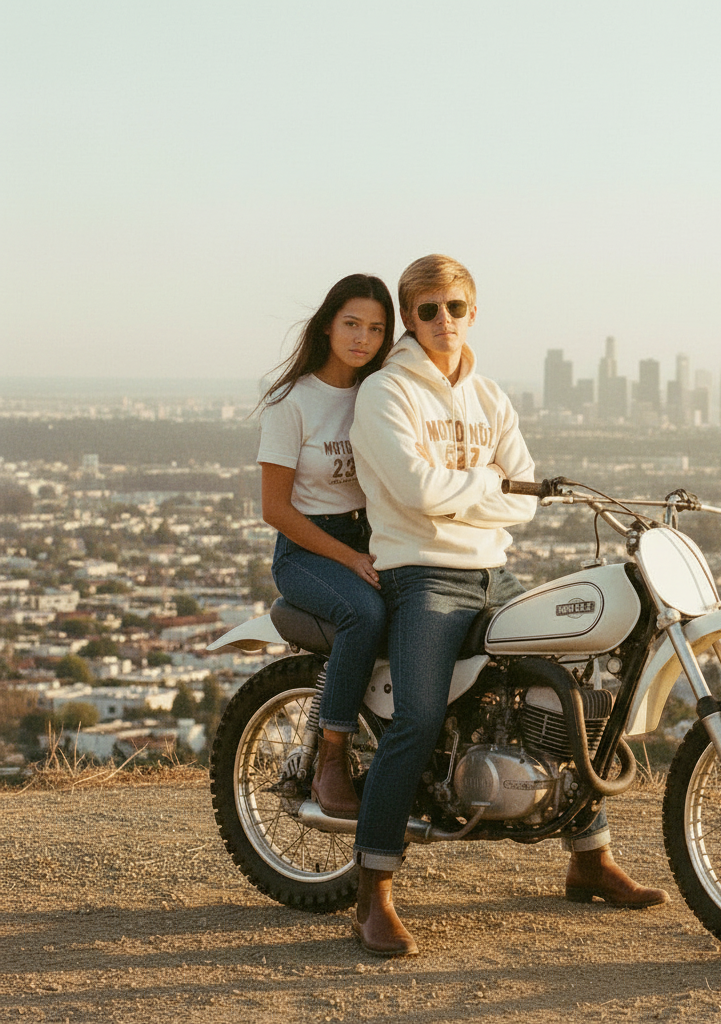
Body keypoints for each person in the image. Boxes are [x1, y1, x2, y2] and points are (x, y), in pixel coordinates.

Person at [349, 254, 667, 957]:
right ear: (409, 317)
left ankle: (588, 857)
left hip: (494, 573)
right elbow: (416, 493)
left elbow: (522, 494)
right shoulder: (386, 394)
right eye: (427, 309)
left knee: (578, 689)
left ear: (472, 311)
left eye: (454, 307)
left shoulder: (490, 396)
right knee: (420, 717)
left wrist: (472, 488)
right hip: (422, 576)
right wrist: (483, 483)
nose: (442, 321)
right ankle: (372, 888)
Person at [256, 273, 394, 818]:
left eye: (376, 329)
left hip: (373, 536)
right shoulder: (292, 403)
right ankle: (330, 761)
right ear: (329, 325)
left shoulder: (379, 394)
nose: (362, 338)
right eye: (352, 324)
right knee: (362, 614)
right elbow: (275, 509)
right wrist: (350, 558)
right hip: (308, 548)